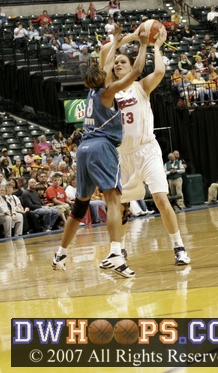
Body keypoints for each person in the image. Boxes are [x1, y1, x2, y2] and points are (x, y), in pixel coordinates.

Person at [52, 25, 149, 277]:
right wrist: (144, 44)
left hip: (83, 149)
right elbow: (137, 71)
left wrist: (116, 40)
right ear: (104, 77)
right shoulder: (108, 92)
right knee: (113, 200)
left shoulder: (92, 91)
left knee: (79, 206)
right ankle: (116, 253)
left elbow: (103, 64)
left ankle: (60, 253)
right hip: (101, 147)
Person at [100, 26, 190, 266]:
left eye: (122, 62)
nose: (118, 64)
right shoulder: (110, 90)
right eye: (116, 62)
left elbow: (159, 70)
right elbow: (104, 56)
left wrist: (155, 47)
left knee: (161, 199)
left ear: (132, 68)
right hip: (122, 155)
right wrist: (124, 39)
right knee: (121, 206)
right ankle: (119, 251)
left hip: (147, 150)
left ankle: (179, 247)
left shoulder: (141, 87)